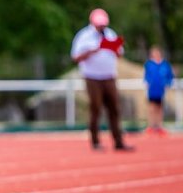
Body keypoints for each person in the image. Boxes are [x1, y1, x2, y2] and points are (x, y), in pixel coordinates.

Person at [70, 8, 134, 152]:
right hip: (92, 77)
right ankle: (95, 141)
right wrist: (93, 50)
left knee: (114, 109)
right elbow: (75, 56)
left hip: (109, 76)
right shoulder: (84, 36)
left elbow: (119, 53)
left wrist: (113, 47)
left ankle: (118, 141)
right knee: (96, 108)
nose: (101, 27)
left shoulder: (110, 34)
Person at [143, 45, 175, 135]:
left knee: (159, 108)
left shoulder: (165, 64)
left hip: (161, 90)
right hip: (152, 89)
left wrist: (168, 84)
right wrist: (147, 83)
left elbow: (170, 76)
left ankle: (159, 126)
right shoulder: (149, 64)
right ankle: (151, 126)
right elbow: (146, 76)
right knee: (151, 108)